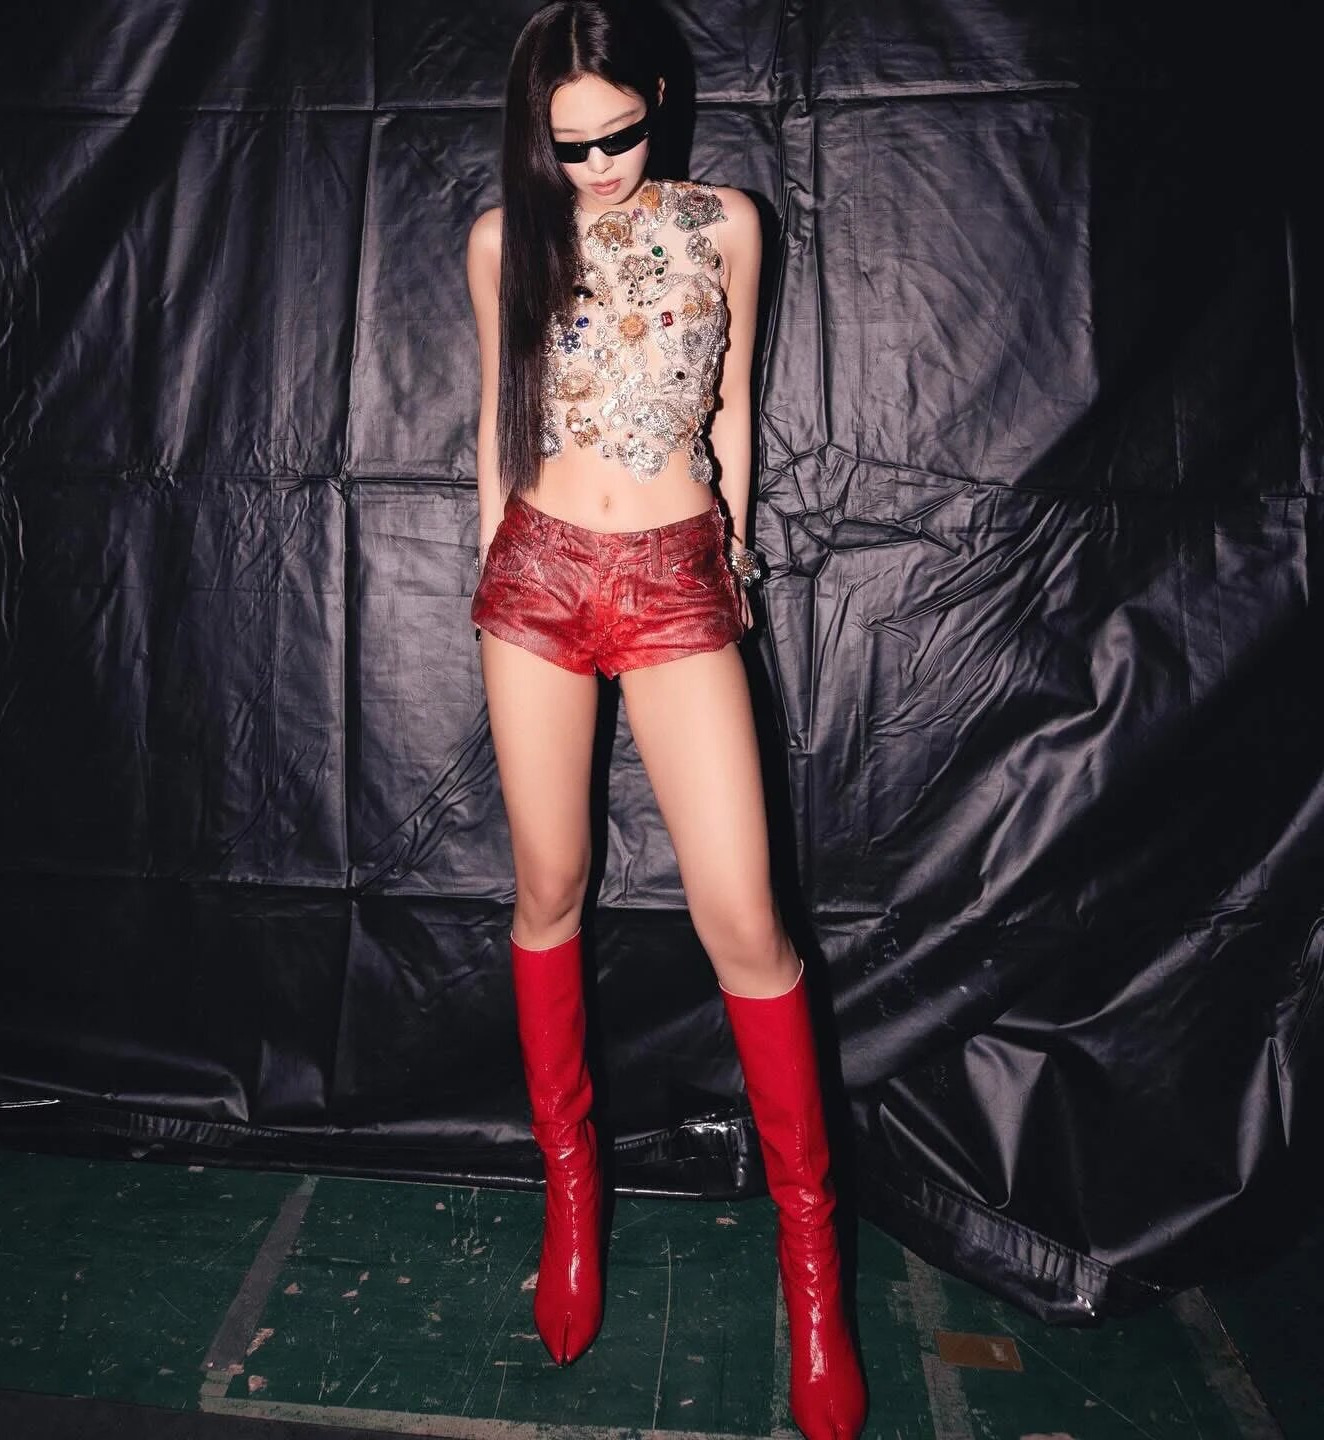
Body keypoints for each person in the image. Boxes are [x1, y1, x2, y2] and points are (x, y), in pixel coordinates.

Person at [464, 4, 866, 1437]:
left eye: (617, 134)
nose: (594, 166)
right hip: (540, 571)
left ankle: (813, 1267)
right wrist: (497, 561)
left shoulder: (727, 224)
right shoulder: (506, 239)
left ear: (659, 96)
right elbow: (498, 422)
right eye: (566, 145)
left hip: (678, 572)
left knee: (745, 915)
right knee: (550, 884)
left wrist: (729, 556)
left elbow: (733, 406)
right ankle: (572, 1193)